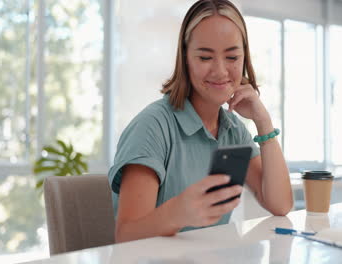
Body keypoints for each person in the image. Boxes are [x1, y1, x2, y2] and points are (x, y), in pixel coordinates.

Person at [109, 0, 293, 243]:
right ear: (185, 59)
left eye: (232, 57)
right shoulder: (152, 127)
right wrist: (177, 212)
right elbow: (126, 235)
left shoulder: (232, 130)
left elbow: (280, 205)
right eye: (205, 57)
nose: (220, 71)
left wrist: (263, 121)